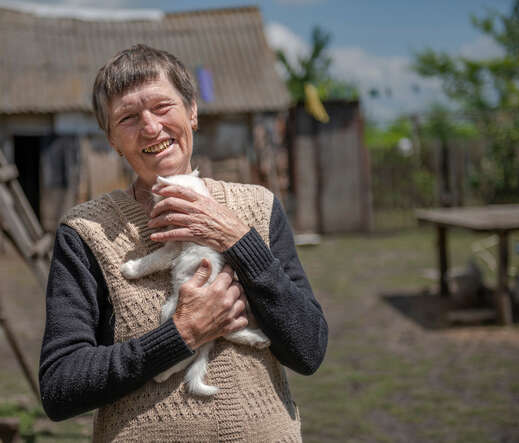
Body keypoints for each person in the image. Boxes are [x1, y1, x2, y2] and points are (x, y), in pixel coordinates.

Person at [39, 44, 327, 442]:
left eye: (162, 107)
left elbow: (309, 350)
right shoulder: (87, 232)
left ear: (192, 112)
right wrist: (180, 335)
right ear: (111, 139)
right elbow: (60, 388)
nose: (151, 127)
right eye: (127, 117)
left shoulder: (258, 208)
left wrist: (237, 239)